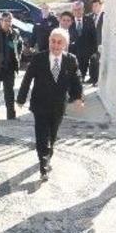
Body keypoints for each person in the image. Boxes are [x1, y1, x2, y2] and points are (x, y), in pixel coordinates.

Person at [16, 28, 84, 180]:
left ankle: (47, 154)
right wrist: (21, 98)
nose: (55, 45)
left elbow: (76, 80)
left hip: (59, 105)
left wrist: (78, 98)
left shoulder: (71, 60)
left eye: (59, 42)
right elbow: (27, 79)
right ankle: (43, 164)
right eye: (53, 41)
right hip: (39, 104)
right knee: (41, 135)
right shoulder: (39, 58)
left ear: (65, 44)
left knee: (52, 135)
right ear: (49, 42)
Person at [70, 2, 96, 81]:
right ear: (72, 11)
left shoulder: (89, 20)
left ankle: (79, 87)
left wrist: (93, 51)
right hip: (72, 53)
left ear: (83, 10)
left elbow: (93, 36)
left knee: (82, 75)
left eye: (79, 9)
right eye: (75, 10)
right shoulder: (69, 21)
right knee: (72, 74)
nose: (77, 11)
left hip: (85, 53)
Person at [87, 0, 105, 84]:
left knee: (98, 61)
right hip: (90, 43)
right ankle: (91, 77)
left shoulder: (105, 16)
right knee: (91, 60)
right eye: (93, 6)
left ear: (101, 6)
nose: (94, 7)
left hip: (100, 43)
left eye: (96, 5)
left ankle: (97, 79)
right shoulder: (90, 17)